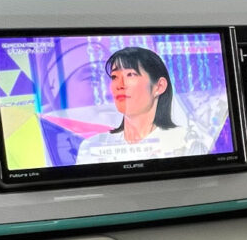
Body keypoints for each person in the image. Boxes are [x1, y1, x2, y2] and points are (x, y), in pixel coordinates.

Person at [76, 46, 208, 164]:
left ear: (159, 86)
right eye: (114, 77)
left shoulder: (186, 143)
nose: (120, 85)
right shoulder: (91, 147)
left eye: (130, 74)